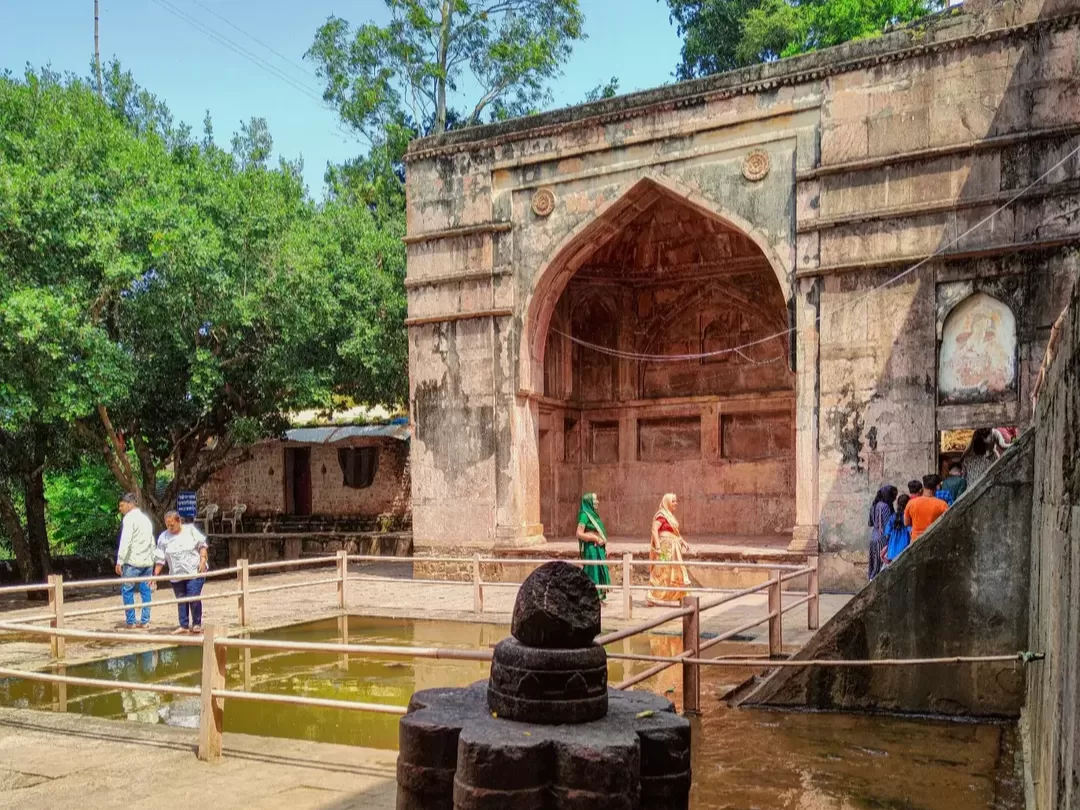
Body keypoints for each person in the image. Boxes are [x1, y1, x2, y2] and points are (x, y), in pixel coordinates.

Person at [153, 510, 209, 634]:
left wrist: (203, 560)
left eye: (172, 524)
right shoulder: (164, 537)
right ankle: (183, 625)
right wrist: (155, 576)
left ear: (179, 521)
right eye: (167, 525)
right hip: (176, 573)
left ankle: (196, 623)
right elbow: (160, 558)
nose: (170, 527)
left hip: (194, 570)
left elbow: (202, 545)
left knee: (193, 595)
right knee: (181, 598)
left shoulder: (190, 530)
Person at [116, 492, 155, 629]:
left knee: (127, 590)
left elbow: (125, 540)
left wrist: (120, 560)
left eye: (122, 505)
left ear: (130, 504)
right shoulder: (146, 519)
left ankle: (131, 621)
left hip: (132, 562)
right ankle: (145, 620)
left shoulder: (129, 519)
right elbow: (152, 541)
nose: (120, 509)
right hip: (147, 562)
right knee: (146, 591)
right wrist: (152, 559)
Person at [647, 493, 692, 607]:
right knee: (661, 571)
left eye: (676, 501)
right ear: (667, 502)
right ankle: (653, 596)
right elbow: (654, 529)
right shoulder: (661, 515)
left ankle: (677, 595)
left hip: (674, 549)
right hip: (664, 549)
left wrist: (683, 542)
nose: (675, 503)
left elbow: (675, 533)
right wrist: (657, 546)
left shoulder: (670, 517)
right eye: (673, 501)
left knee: (675, 572)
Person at [576, 493, 611, 601]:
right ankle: (590, 596)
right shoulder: (584, 515)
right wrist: (594, 538)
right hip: (591, 549)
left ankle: (598, 596)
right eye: (595, 500)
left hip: (598, 549)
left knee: (599, 570)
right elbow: (579, 533)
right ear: (589, 502)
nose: (597, 502)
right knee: (592, 571)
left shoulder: (593, 514)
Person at [904, 474, 949, 542]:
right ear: (937, 487)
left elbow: (906, 523)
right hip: (934, 539)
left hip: (916, 540)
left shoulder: (911, 503)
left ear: (923, 486)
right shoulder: (942, 505)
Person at [867, 485, 897, 581]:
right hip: (882, 540)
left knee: (874, 566)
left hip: (873, 538)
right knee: (880, 567)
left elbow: (870, 523)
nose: (895, 498)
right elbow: (887, 526)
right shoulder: (885, 506)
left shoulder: (874, 505)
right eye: (893, 496)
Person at [884, 493, 912, 564]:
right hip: (904, 542)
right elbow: (910, 530)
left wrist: (888, 543)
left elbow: (887, 532)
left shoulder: (893, 516)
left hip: (893, 545)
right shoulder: (907, 516)